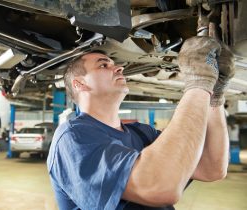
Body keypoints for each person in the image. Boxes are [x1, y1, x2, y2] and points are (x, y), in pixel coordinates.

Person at [47, 36, 235, 210]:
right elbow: (158, 186)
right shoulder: (72, 138)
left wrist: (215, 95)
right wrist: (199, 82)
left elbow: (212, 168)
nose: (119, 68)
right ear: (79, 84)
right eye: (103, 65)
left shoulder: (142, 133)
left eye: (114, 64)